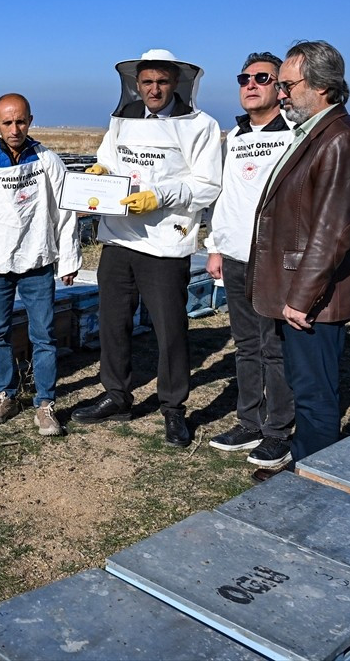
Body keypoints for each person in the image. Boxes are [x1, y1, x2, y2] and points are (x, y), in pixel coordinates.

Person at [71, 49, 222, 447]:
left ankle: (173, 408)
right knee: (113, 321)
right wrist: (99, 172)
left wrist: (160, 196)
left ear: (176, 83)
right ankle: (117, 395)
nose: (154, 89)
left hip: (166, 242)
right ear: (136, 84)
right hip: (119, 239)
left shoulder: (201, 126)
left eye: (162, 82)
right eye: (147, 82)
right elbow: (108, 156)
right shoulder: (122, 118)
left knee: (170, 329)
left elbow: (208, 184)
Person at [247, 40, 350, 465]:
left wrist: (301, 298)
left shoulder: (342, 140)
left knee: (316, 394)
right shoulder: (315, 132)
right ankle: (306, 464)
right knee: (305, 386)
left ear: (321, 85)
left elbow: (333, 232)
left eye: (287, 85)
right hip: (300, 289)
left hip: (315, 299)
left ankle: (314, 482)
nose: (280, 94)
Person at [0, 93, 80, 437]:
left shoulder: (47, 161)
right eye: (7, 122)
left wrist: (68, 258)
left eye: (20, 121)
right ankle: (5, 395)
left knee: (45, 335)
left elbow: (65, 212)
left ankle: (45, 403)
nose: (14, 129)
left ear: (31, 120)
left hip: (38, 261)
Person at [205, 52, 295, 472]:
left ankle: (279, 432)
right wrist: (215, 246)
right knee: (245, 345)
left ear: (281, 87)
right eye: (244, 78)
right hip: (236, 256)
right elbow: (227, 198)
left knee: (274, 347)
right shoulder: (235, 137)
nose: (250, 85)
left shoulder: (294, 134)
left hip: (274, 260)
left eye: (262, 78)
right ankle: (248, 422)